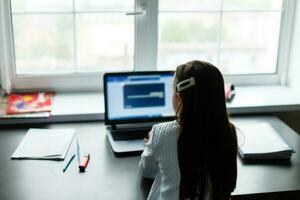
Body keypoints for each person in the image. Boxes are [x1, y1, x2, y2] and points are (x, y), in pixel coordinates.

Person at [138, 60, 237, 200]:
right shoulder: (228, 132)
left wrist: (152, 145)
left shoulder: (161, 133)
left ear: (179, 98)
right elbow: (230, 184)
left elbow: (146, 171)